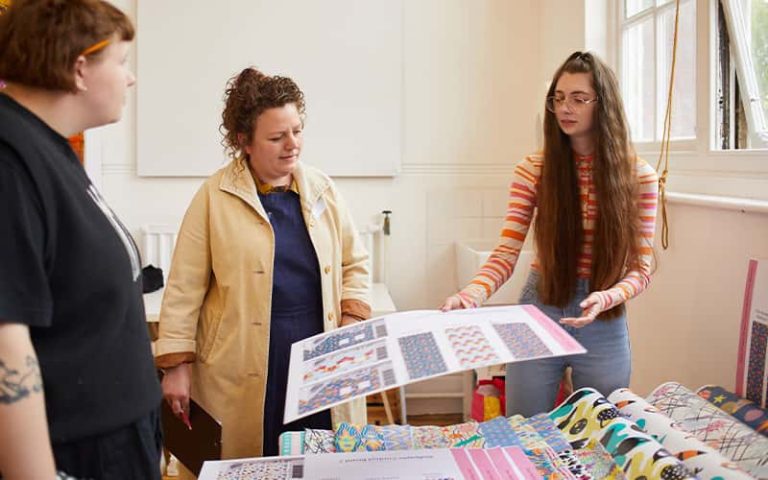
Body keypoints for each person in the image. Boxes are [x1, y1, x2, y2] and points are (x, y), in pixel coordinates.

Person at [155, 67, 371, 468]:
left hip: (319, 357)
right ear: (244, 141)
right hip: (240, 362)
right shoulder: (214, 196)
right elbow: (184, 288)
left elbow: (354, 263)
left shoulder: (323, 188)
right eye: (277, 137)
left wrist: (350, 318)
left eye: (297, 131)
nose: (293, 145)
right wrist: (176, 367)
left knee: (318, 462)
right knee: (248, 462)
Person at [441, 51, 659, 417]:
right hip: (541, 305)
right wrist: (470, 295)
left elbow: (641, 269)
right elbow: (506, 253)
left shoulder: (640, 176)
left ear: (603, 105)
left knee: (604, 432)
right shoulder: (534, 169)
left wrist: (606, 298)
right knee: (523, 428)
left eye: (578, 98)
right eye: (558, 98)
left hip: (604, 317)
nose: (565, 108)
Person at [0, 1, 162, 479]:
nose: (130, 79)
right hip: (77, 455)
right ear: (79, 68)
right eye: (122, 62)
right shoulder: (11, 163)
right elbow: (7, 344)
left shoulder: (47, 146)